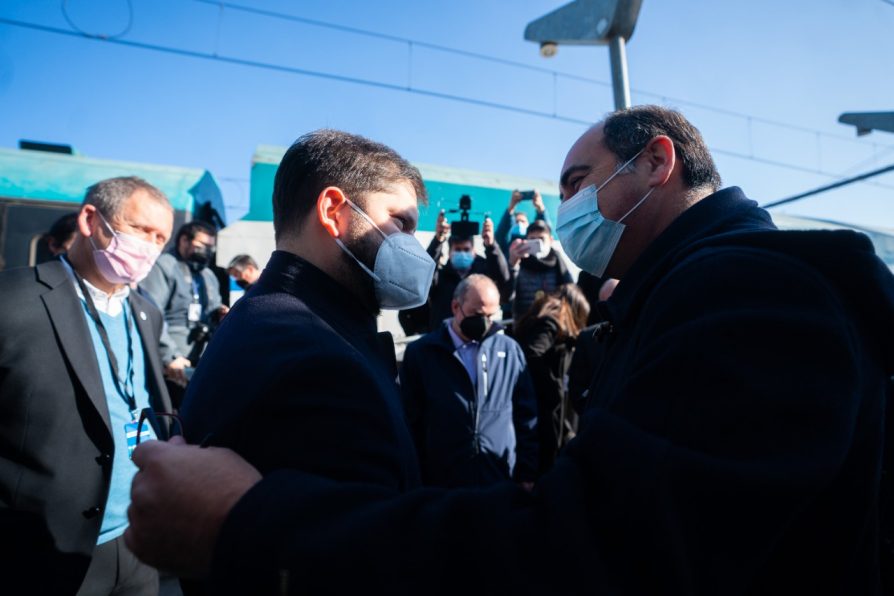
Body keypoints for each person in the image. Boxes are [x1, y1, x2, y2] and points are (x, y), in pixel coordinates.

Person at [126, 106, 894, 595]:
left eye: (578, 182)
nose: (565, 212)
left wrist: (254, 524)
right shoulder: (299, 338)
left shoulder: (750, 294)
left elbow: (603, 556)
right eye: (398, 222)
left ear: (656, 163)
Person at [170, 129, 434, 581]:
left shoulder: (268, 318)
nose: (413, 244)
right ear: (334, 211)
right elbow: (357, 565)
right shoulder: (317, 355)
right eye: (401, 222)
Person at [0, 176, 174, 594]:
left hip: (136, 540)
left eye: (160, 238)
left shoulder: (146, 313)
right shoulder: (13, 299)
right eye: (138, 230)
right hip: (44, 549)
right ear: (91, 220)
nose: (148, 247)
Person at [401, 274, 538, 488]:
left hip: (499, 477)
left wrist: (527, 472)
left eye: (491, 316)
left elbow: (526, 416)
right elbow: (410, 421)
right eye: (477, 314)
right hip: (443, 483)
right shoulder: (422, 353)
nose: (485, 323)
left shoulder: (509, 351)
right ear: (456, 307)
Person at [514, 283, 590, 475]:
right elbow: (533, 353)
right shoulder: (550, 323)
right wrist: (554, 389)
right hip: (542, 407)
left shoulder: (539, 316)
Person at [507, 219, 574, 321]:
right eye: (532, 239)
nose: (538, 243)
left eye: (542, 239)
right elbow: (507, 295)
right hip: (524, 324)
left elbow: (570, 290)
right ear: (526, 240)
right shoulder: (519, 261)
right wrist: (512, 265)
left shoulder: (558, 261)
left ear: (551, 240)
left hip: (553, 322)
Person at [494, 189, 552, 258]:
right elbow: (501, 232)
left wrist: (540, 207)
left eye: (523, 221)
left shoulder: (534, 242)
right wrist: (511, 207)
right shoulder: (507, 244)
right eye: (517, 221)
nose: (519, 224)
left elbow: (544, 230)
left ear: (528, 225)